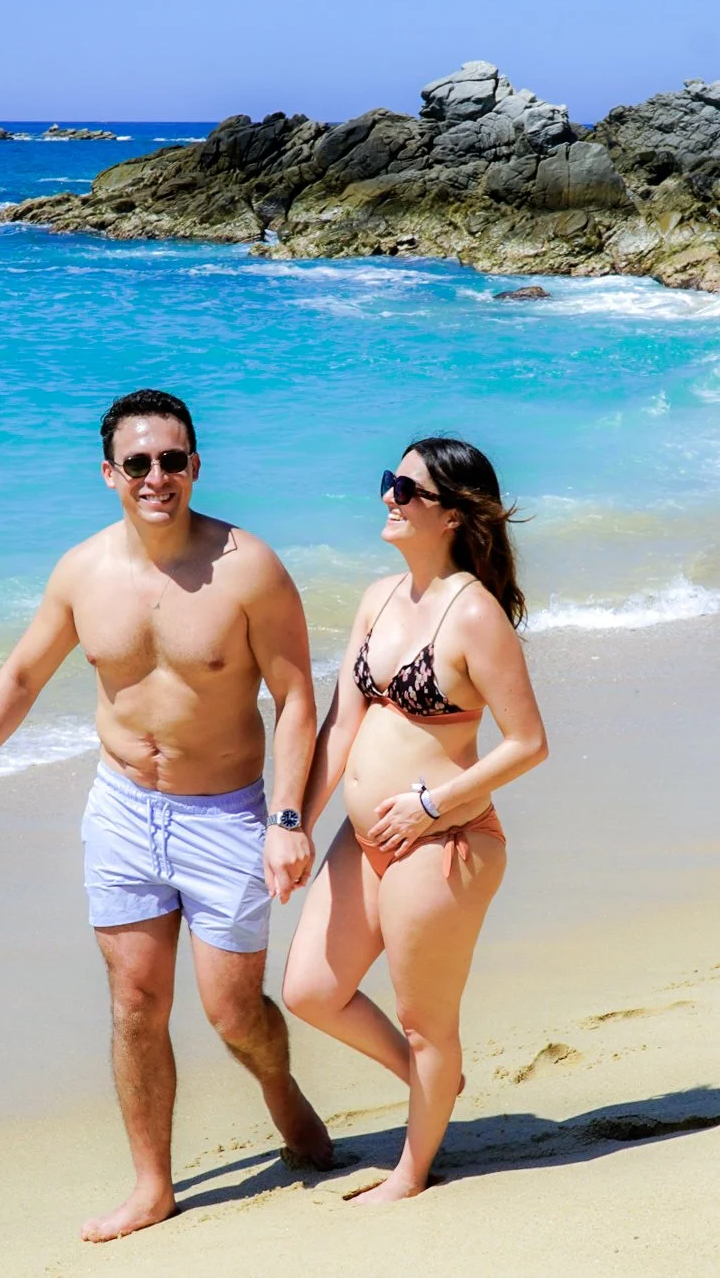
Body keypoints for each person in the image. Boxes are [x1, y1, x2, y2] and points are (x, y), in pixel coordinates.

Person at [0, 388, 331, 1241]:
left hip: (225, 813)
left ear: (196, 466)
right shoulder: (82, 572)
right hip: (122, 811)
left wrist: (288, 820)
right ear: (109, 473)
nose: (157, 477)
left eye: (172, 460)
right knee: (135, 1003)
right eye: (139, 463)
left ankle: (277, 1085)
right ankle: (153, 1184)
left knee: (231, 1010)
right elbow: (21, 677)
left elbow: (296, 699)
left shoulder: (248, 567)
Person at [282, 436, 547, 1204]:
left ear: (452, 515)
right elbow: (339, 727)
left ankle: (411, 1170)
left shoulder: (476, 616)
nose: (388, 498)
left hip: (443, 839)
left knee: (425, 1020)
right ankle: (436, 1084)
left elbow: (529, 743)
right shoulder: (377, 597)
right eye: (386, 482)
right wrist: (293, 819)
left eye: (406, 488)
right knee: (309, 990)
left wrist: (432, 804)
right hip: (364, 838)